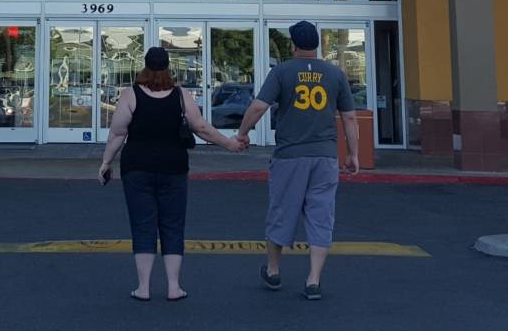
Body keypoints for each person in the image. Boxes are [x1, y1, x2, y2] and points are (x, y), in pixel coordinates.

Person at [98, 46, 242, 302]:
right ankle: (174, 287)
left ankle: (143, 287)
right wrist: (229, 143)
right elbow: (201, 127)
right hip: (173, 168)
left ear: (144, 67)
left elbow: (117, 133)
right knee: (173, 225)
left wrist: (106, 162)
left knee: (142, 224)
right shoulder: (181, 95)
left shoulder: (130, 95)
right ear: (168, 68)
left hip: (137, 168)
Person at [234, 20, 359, 301]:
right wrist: (353, 154)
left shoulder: (282, 71)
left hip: (290, 155)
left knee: (282, 210)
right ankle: (313, 280)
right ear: (317, 44)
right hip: (325, 157)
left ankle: (273, 270)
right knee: (321, 215)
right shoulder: (335, 74)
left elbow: (259, 106)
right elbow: (349, 118)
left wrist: (242, 133)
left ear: (293, 44)